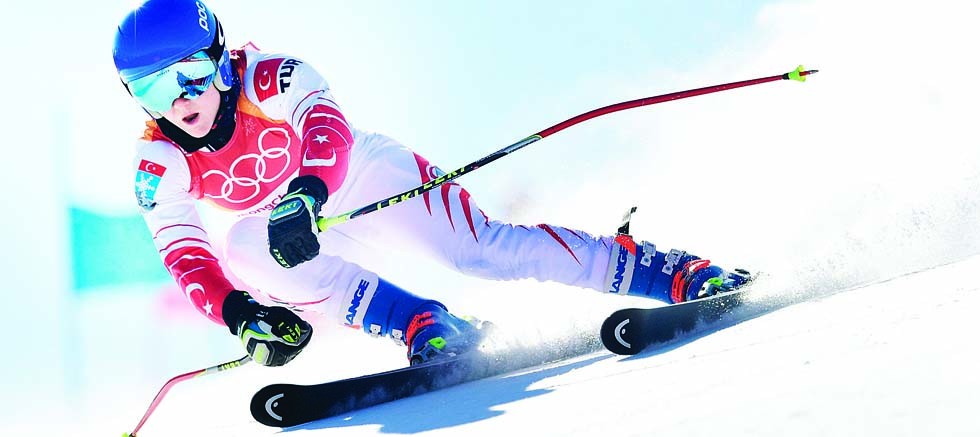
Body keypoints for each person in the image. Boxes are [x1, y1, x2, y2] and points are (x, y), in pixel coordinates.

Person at [113, 0, 751, 368]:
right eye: (152, 89)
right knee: (244, 249)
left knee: (482, 251)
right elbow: (185, 254)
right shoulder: (158, 161)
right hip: (292, 226)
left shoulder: (271, 76)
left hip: (359, 178)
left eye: (188, 75)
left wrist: (306, 193)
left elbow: (326, 130)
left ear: (220, 58)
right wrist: (241, 315)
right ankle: (425, 324)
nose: (179, 101)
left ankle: (673, 273)